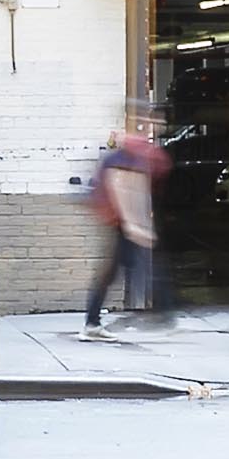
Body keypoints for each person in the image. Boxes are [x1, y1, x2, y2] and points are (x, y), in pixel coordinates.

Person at [77, 110, 168, 329]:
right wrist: (133, 224)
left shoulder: (121, 157)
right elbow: (156, 168)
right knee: (133, 267)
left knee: (125, 268)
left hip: (119, 222)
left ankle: (93, 321)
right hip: (120, 223)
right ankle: (93, 322)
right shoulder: (129, 158)